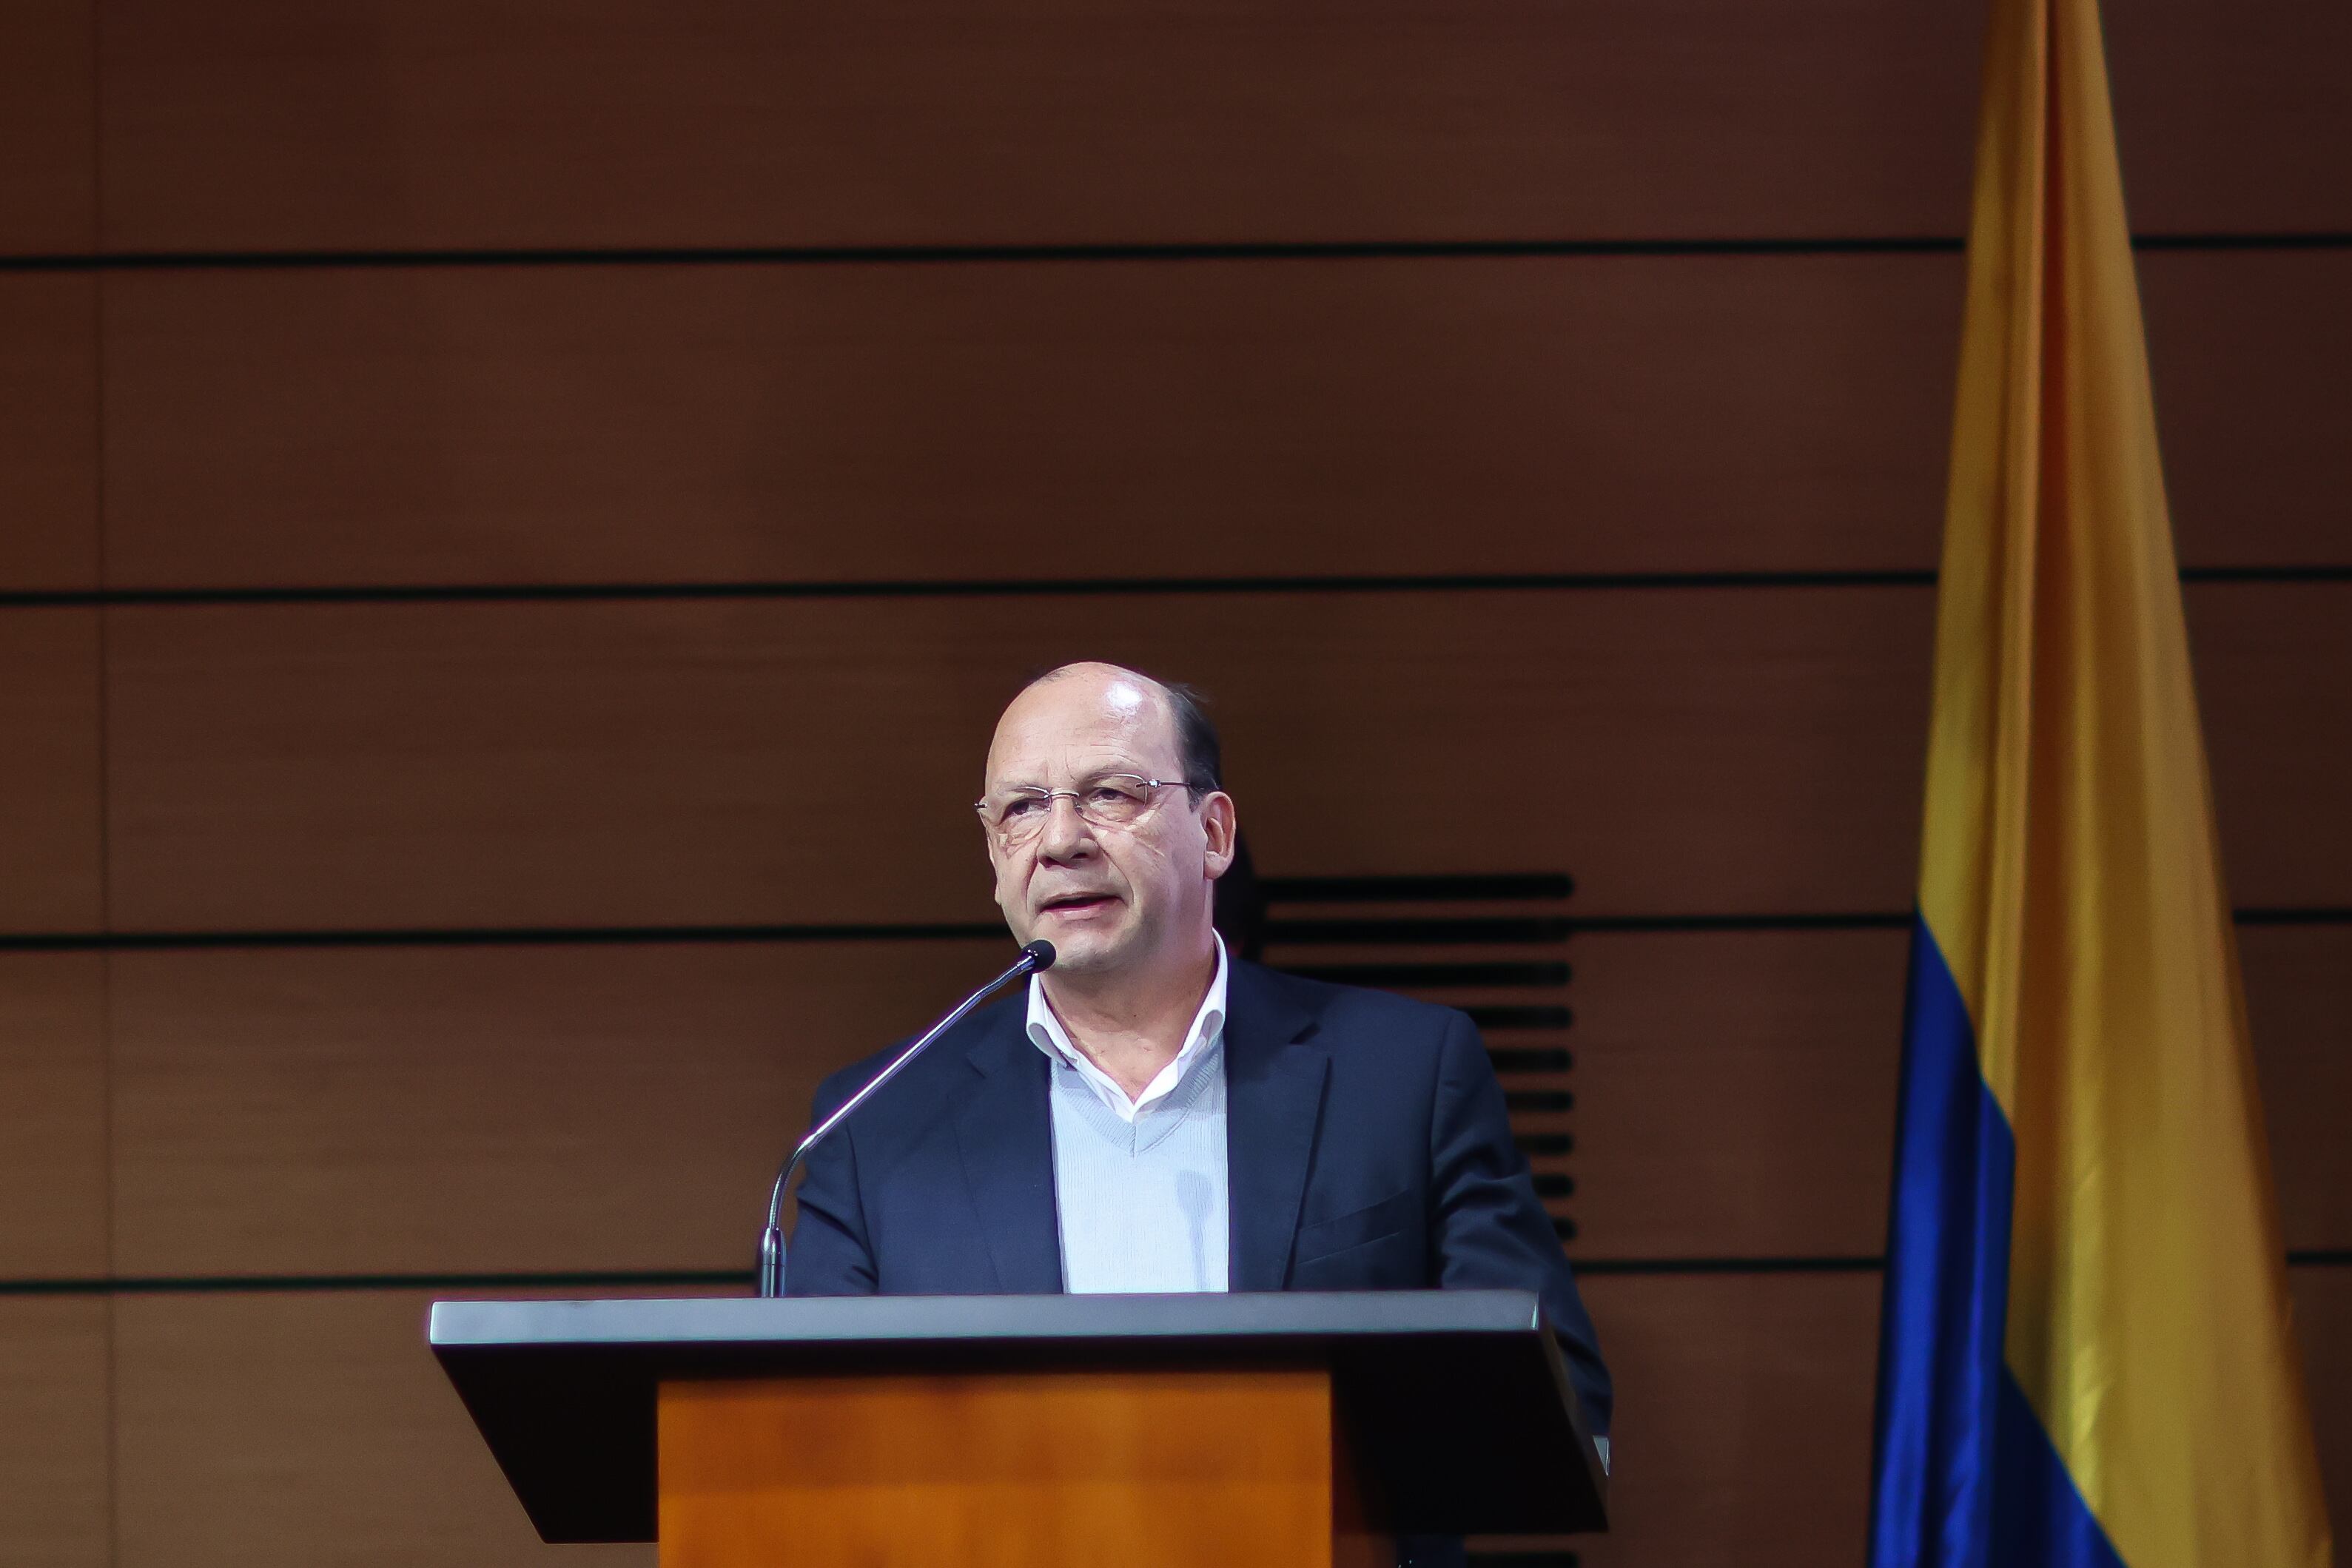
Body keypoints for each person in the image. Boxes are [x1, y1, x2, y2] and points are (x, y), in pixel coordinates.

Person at [787, 662, 1610, 1561]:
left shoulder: (1404, 1075)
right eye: (1021, 808)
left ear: (1213, 832)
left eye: (1109, 793)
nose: (1060, 840)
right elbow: (800, 1453)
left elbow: (1552, 1403)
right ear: (993, 857)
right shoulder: (873, 1122)